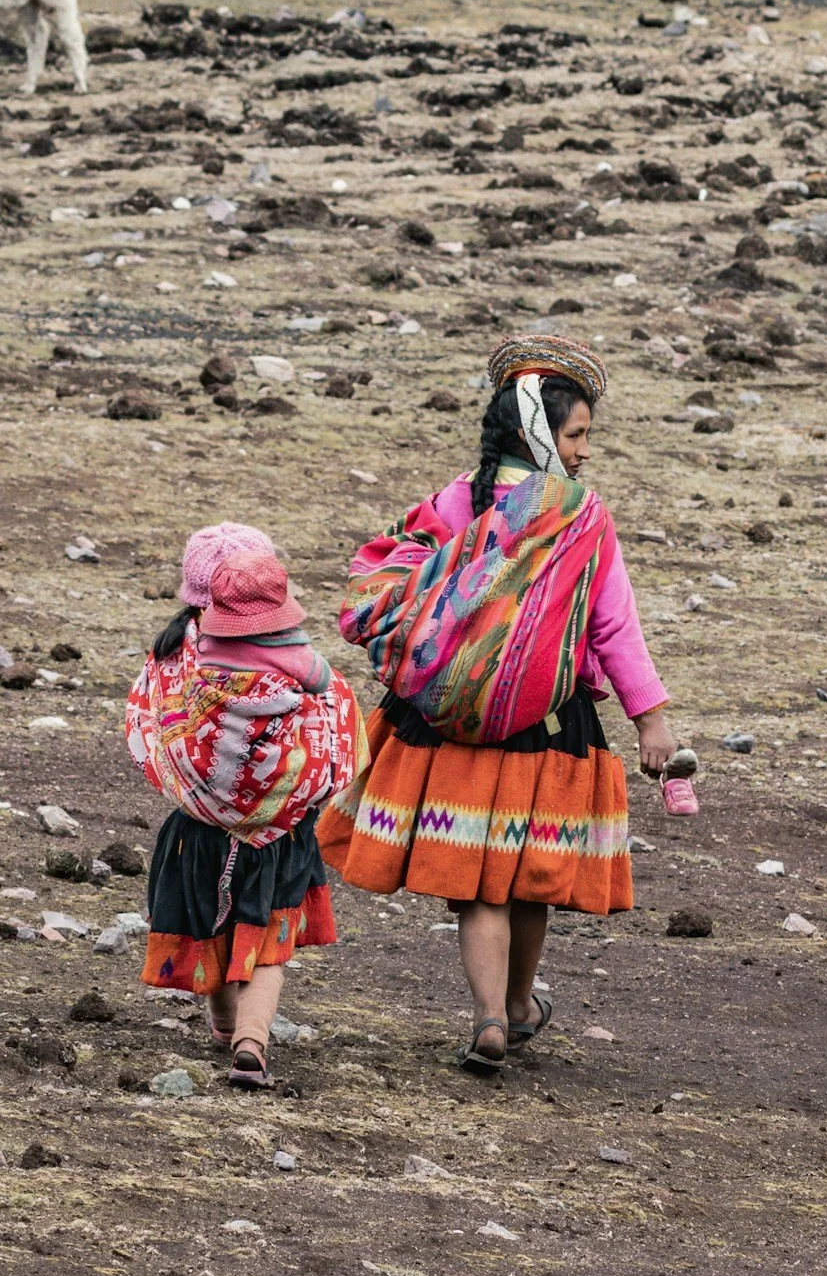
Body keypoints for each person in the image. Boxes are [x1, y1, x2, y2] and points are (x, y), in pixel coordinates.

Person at [320, 334, 677, 1074]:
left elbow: (398, 567)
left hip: (449, 727)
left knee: (476, 881)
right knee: (527, 875)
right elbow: (613, 623)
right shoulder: (580, 514)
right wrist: (650, 717)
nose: (583, 450)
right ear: (541, 431)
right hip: (548, 725)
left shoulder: (459, 497)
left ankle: (486, 1017)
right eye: (576, 434)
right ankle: (517, 1008)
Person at [124, 523, 362, 1089]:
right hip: (280, 836)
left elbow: (146, 725)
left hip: (197, 830)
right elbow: (337, 731)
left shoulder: (176, 663)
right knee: (268, 941)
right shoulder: (304, 670)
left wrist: (204, 788)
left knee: (213, 922)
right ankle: (252, 1041)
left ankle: (224, 1024)